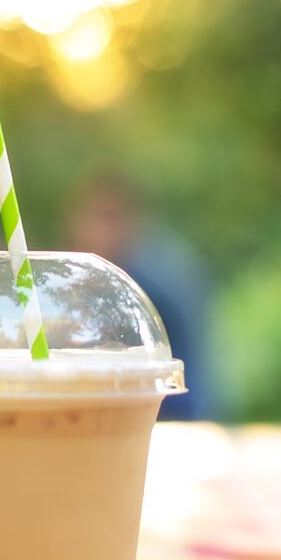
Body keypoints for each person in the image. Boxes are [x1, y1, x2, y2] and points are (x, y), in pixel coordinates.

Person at [66, 175, 214, 420]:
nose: (89, 230)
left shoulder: (149, 283)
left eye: (102, 219)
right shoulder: (126, 271)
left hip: (171, 414)